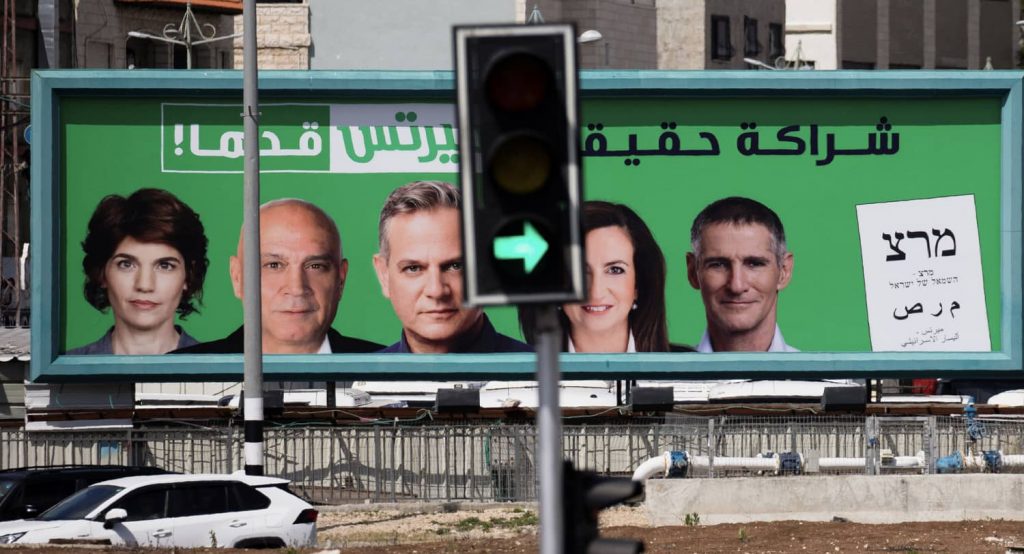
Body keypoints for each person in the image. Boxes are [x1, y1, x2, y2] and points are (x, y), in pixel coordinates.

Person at [176, 198, 381, 354]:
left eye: (315, 266)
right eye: (274, 265)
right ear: (237, 277)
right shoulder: (176, 375)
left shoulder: (391, 372)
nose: (296, 288)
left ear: (341, 280)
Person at [373, 181, 530, 353]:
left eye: (456, 266)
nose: (437, 291)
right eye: (413, 268)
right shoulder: (358, 379)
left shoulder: (550, 377)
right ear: (384, 275)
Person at [518, 200, 691, 353]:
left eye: (615, 270)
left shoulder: (691, 374)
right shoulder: (516, 378)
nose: (596, 292)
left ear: (638, 284)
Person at [69, 188, 208, 355]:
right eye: (126, 264)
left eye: (165, 266)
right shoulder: (63, 375)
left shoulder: (226, 374)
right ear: (101, 272)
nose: (145, 285)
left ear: (188, 276)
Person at [686, 196, 796, 352]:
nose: (736, 286)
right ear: (692, 271)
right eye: (718, 265)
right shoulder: (655, 377)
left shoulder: (828, 377)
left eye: (754, 264)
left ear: (784, 271)